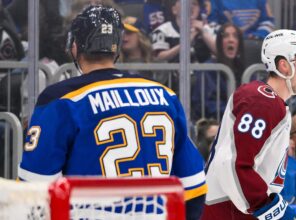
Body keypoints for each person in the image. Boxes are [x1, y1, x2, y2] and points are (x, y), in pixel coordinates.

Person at [18, 5, 207, 220]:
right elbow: (194, 186)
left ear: (74, 47)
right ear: (117, 49)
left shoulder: (61, 99)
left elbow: (34, 188)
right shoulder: (165, 96)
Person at [202, 29, 296, 220]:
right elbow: (233, 164)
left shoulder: (269, 101)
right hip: (229, 211)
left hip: (236, 208)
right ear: (284, 65)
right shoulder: (261, 101)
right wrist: (270, 210)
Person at [191, 23, 244, 121]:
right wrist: (233, 113)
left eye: (235, 36)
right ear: (219, 43)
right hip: (212, 122)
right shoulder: (208, 69)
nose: (231, 40)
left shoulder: (246, 70)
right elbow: (206, 104)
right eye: (226, 36)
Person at [207, 0, 275, 39]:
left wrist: (257, 36)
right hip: (224, 45)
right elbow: (211, 23)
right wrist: (226, 35)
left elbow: (268, 22)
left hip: (255, 45)